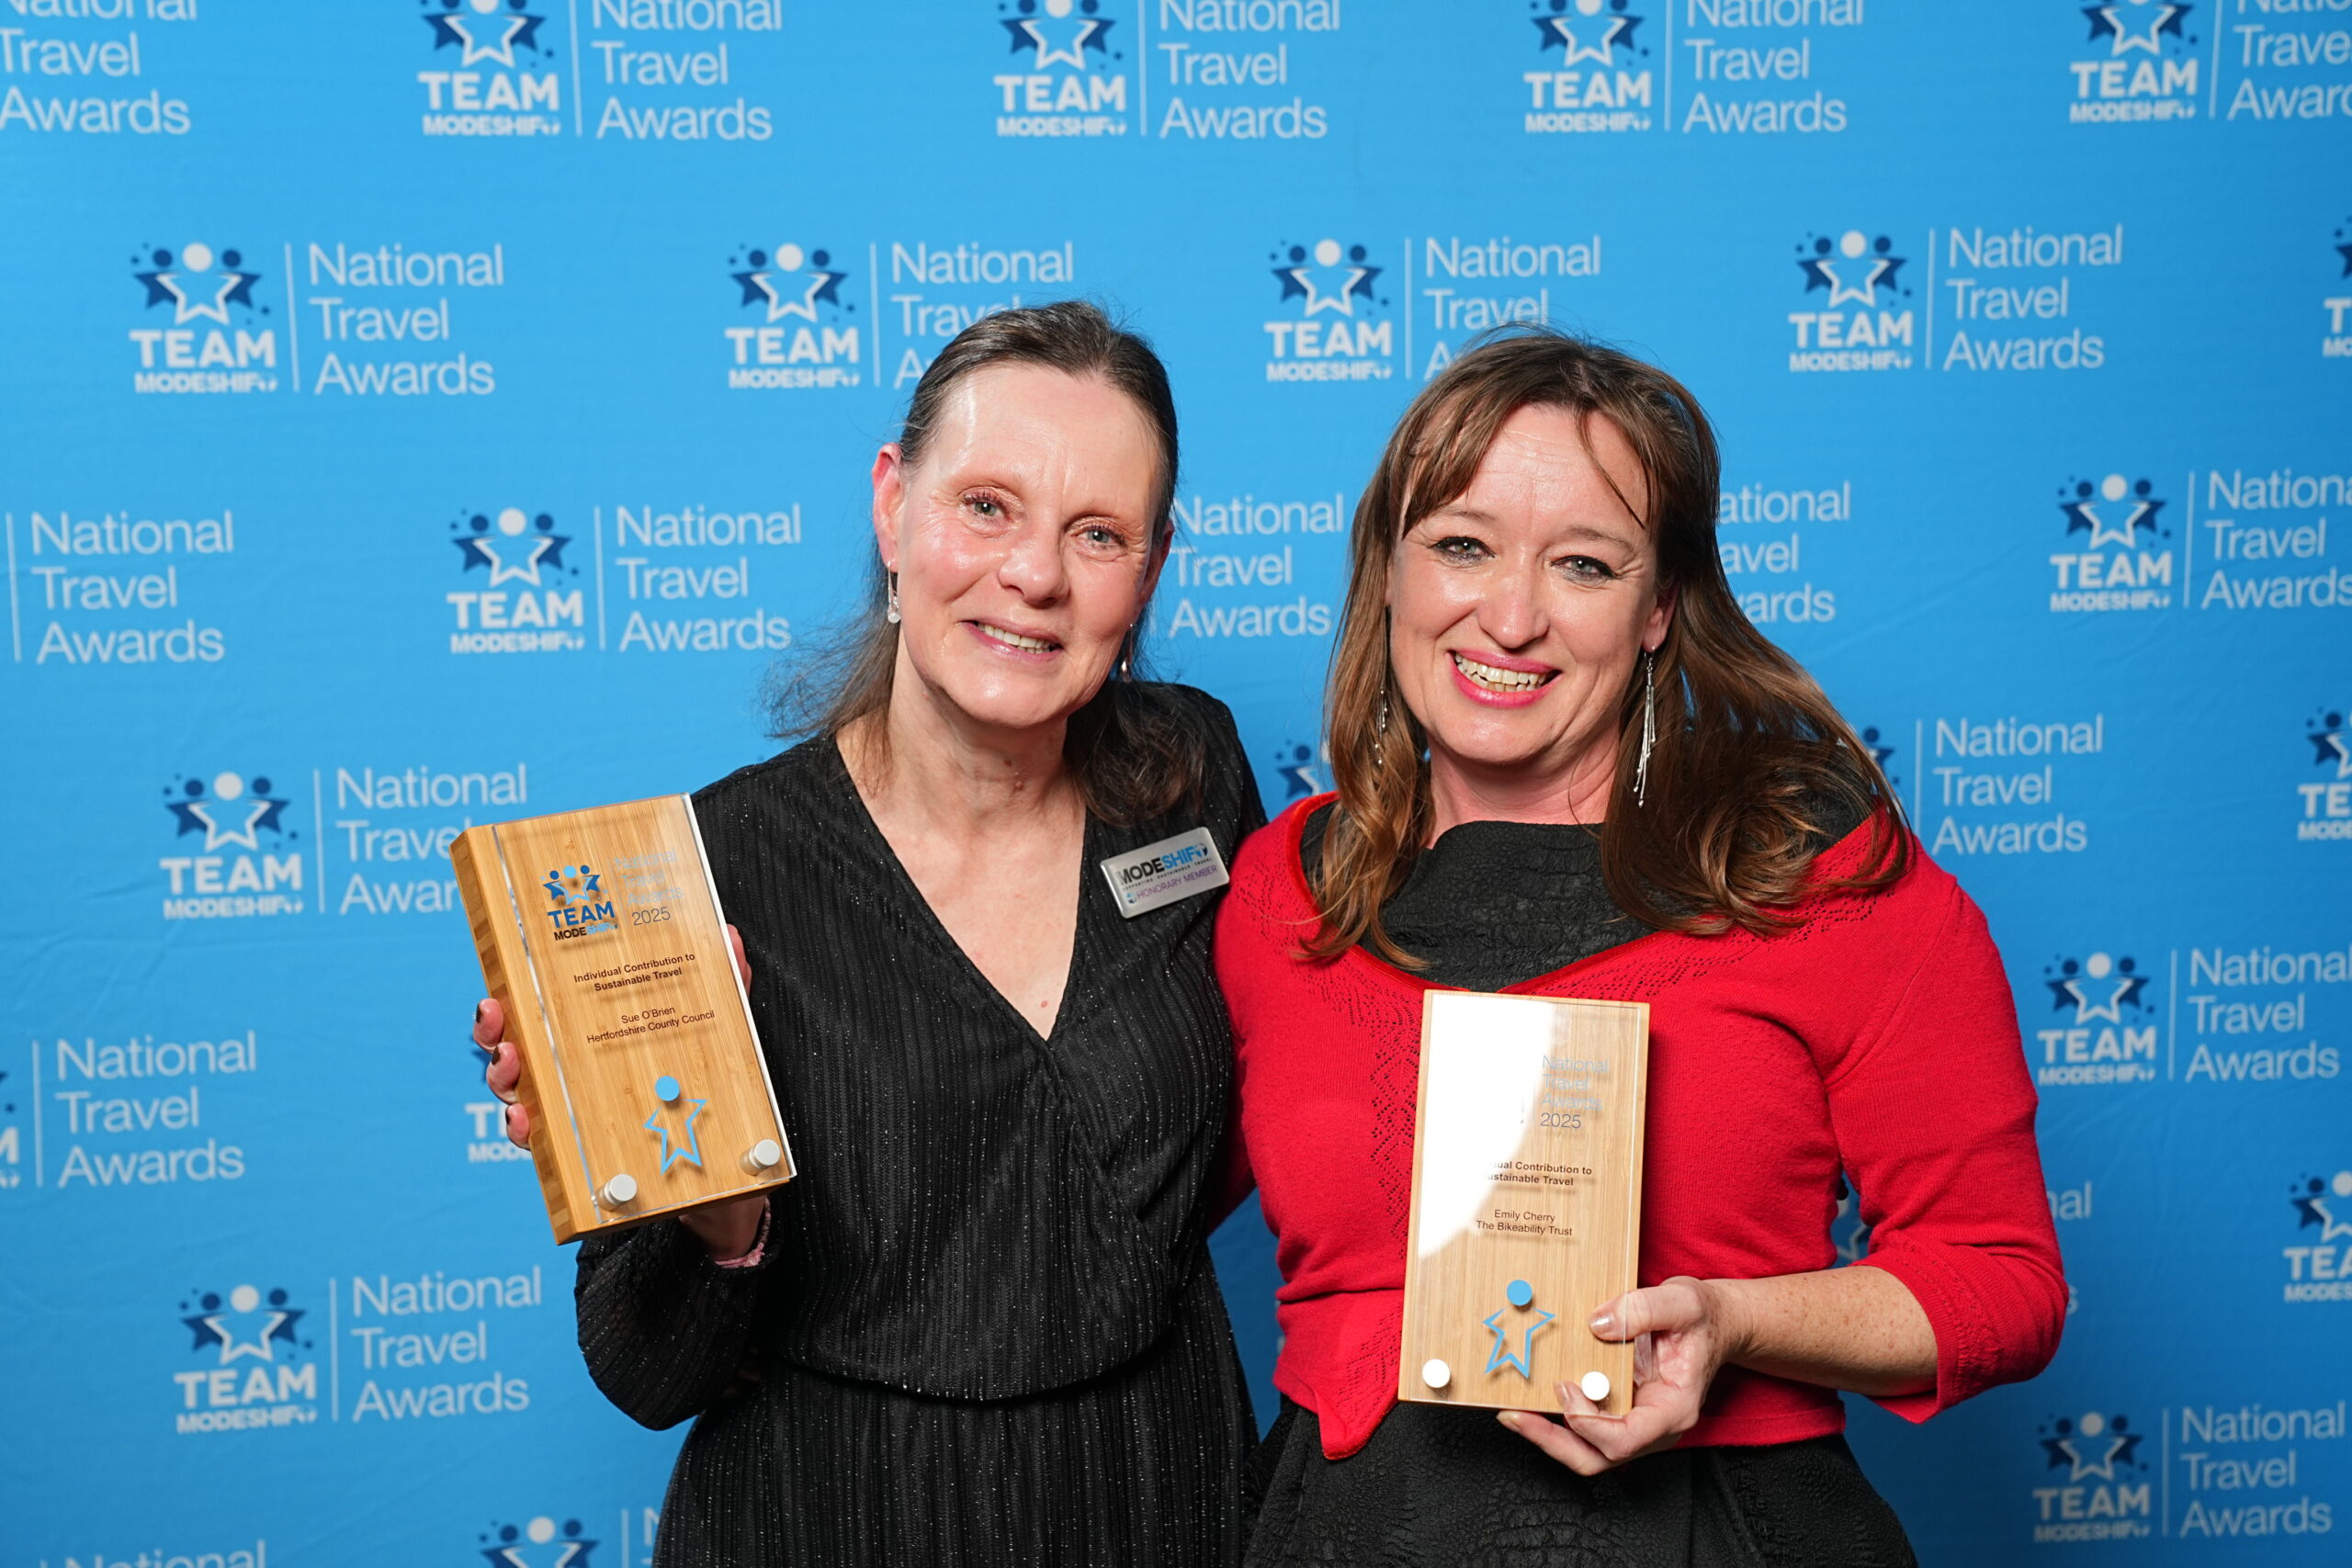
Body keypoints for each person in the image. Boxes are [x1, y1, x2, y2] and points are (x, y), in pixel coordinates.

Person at [1215, 329, 2066, 1564]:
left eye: (1583, 565)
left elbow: (2003, 1279)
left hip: (1718, 1529)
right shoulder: (1284, 891)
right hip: (1352, 1528)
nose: (1510, 617)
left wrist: (1732, 1322)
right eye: (1461, 546)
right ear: (1389, 574)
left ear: (1661, 605)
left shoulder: (1818, 873)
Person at [473, 303, 1264, 1566]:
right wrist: (713, 1214)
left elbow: (1251, 1106)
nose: (1035, 576)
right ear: (894, 507)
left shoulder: (1196, 774)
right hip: (838, 1511)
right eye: (987, 506)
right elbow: (643, 1371)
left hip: (1156, 1496)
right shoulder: (704, 871)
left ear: (1153, 568)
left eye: (1098, 533)